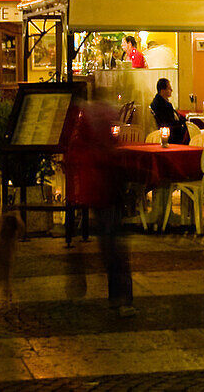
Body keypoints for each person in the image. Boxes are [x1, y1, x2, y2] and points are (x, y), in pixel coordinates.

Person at [66, 98, 135, 316]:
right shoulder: (102, 115)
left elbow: (77, 155)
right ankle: (121, 298)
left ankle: (119, 297)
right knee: (114, 245)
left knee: (110, 245)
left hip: (97, 190)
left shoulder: (84, 123)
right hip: (107, 189)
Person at [150, 78, 188, 144]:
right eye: (169, 88)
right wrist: (183, 124)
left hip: (169, 128)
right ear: (162, 90)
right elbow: (169, 122)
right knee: (189, 130)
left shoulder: (158, 101)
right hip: (171, 132)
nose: (171, 90)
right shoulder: (162, 105)